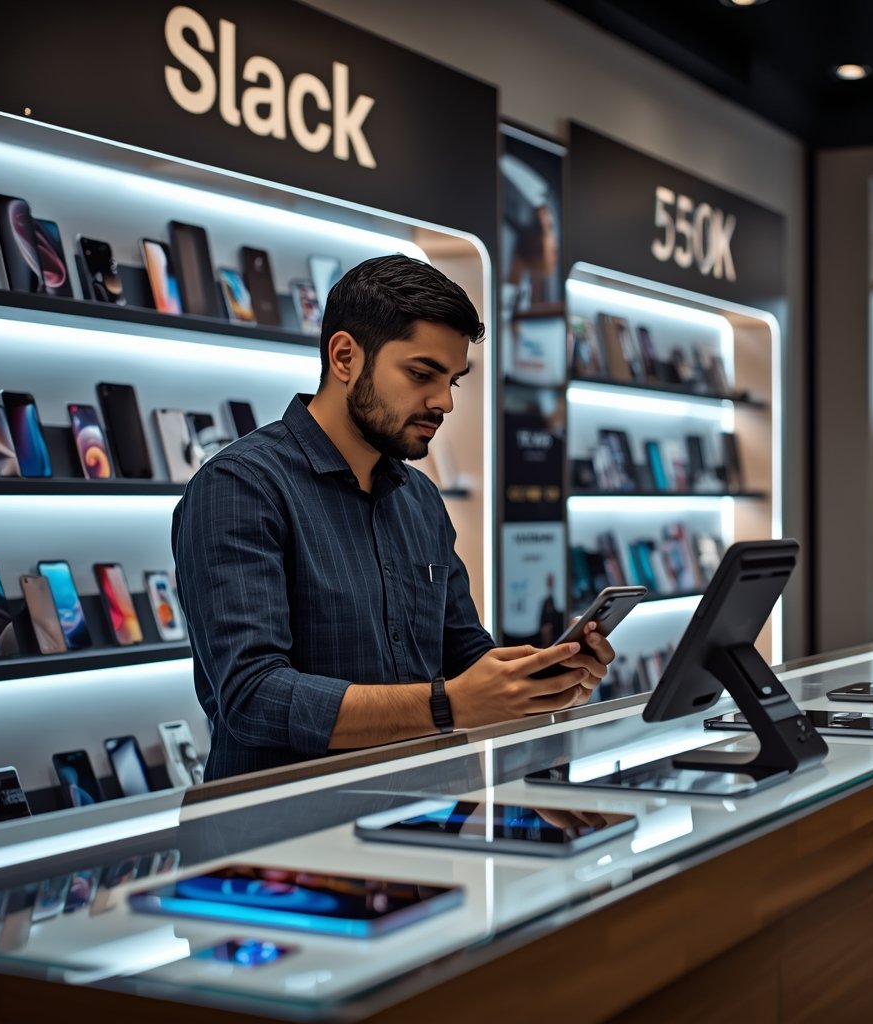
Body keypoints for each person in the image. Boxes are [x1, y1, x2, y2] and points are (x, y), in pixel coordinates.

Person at [172, 254, 615, 780]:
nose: (443, 402)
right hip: (278, 841)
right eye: (422, 373)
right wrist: (449, 705)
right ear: (344, 357)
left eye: (453, 380)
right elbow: (253, 697)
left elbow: (464, 656)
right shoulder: (240, 487)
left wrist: (537, 682)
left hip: (416, 821)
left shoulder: (420, 499)